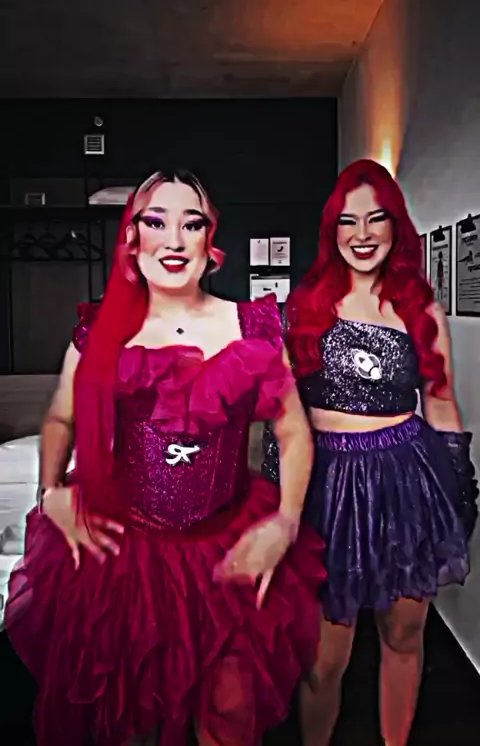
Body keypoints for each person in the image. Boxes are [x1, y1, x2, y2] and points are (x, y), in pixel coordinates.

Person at [6, 170, 327, 746]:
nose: (174, 240)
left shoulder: (254, 326)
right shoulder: (99, 330)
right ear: (132, 238)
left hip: (229, 547)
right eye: (156, 222)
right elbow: (60, 418)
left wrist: (285, 522)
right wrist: (50, 490)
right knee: (127, 718)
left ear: (210, 238)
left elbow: (294, 431)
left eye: (191, 223)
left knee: (230, 716)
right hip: (126, 557)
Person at [262, 159, 478, 746]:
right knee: (323, 659)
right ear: (331, 229)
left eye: (375, 218)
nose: (362, 234)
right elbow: (283, 421)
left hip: (406, 479)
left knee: (404, 636)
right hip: (326, 484)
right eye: (348, 221)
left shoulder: (421, 309)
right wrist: (279, 506)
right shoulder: (300, 309)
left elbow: (441, 404)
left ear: (395, 225)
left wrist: (460, 493)